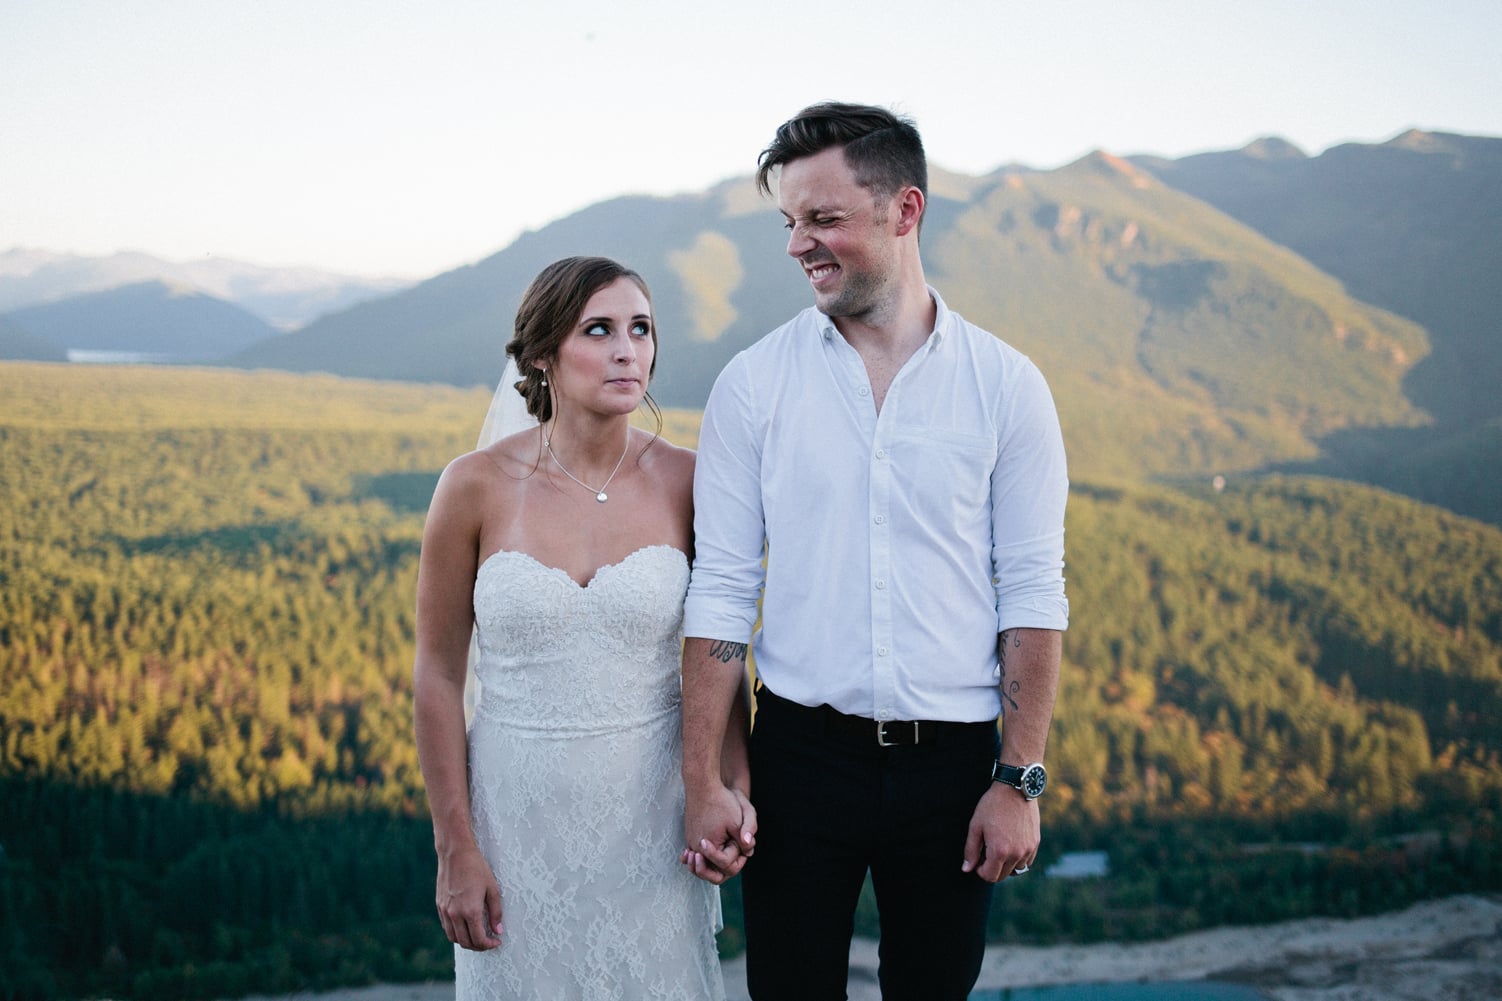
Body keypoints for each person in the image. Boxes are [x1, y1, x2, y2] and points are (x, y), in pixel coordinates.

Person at [681, 103, 1070, 999]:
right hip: (797, 763)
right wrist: (704, 777)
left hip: (954, 768)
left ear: (905, 210)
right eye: (789, 222)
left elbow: (1033, 592)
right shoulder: (753, 385)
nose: (797, 245)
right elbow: (723, 592)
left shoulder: (1007, 387)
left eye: (822, 219)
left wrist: (1020, 779)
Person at [413, 256, 732, 1000]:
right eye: (600, 329)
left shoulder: (692, 480)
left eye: (642, 329)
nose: (628, 350)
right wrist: (455, 844)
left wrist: (726, 786)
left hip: (653, 824)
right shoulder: (474, 484)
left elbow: (718, 649)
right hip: (514, 823)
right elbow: (438, 673)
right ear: (542, 355)